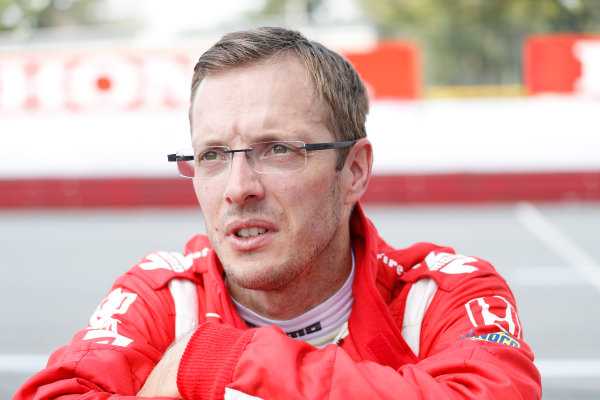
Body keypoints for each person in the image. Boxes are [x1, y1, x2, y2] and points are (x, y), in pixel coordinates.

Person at [14, 27, 541, 399]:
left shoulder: (444, 297)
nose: (238, 189)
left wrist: (218, 363)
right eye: (213, 156)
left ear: (353, 170)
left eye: (278, 150)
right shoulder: (166, 298)